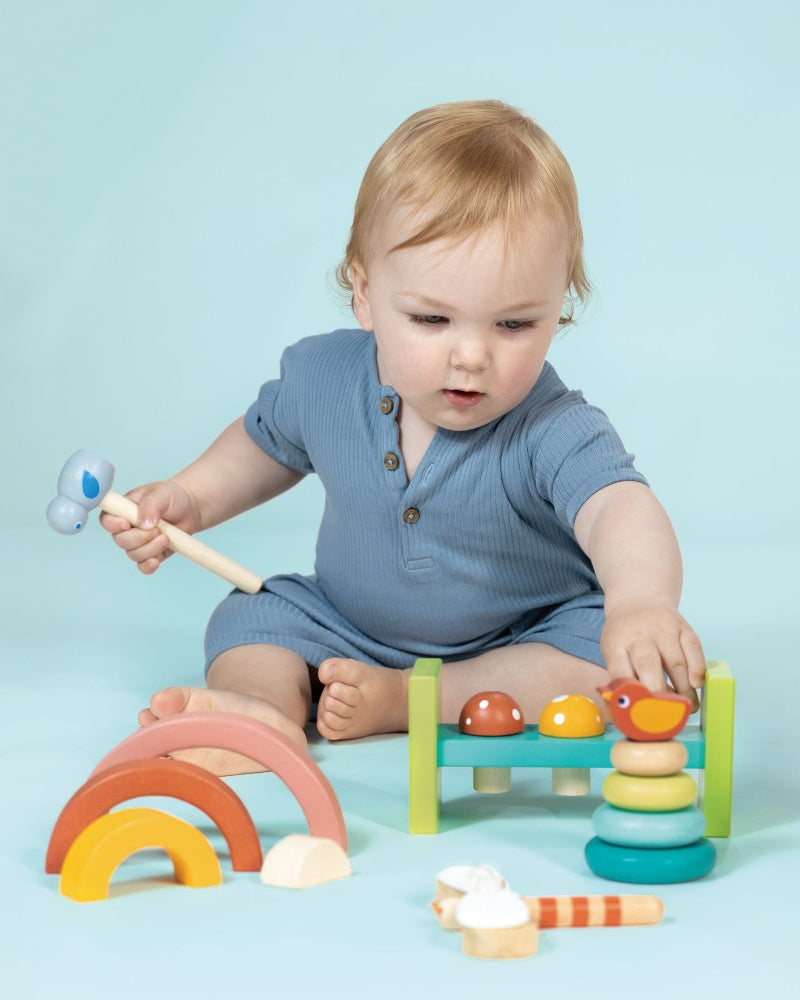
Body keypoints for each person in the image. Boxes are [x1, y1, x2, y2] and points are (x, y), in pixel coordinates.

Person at [102, 100, 706, 776]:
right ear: (364, 293)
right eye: (431, 318)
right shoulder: (324, 378)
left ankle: (411, 701)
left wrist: (642, 603)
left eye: (514, 325)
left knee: (595, 656)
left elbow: (619, 509)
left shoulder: (552, 425)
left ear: (558, 303)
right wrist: (190, 496)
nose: (472, 355)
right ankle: (262, 714)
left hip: (514, 638)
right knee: (254, 617)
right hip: (347, 624)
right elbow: (262, 442)